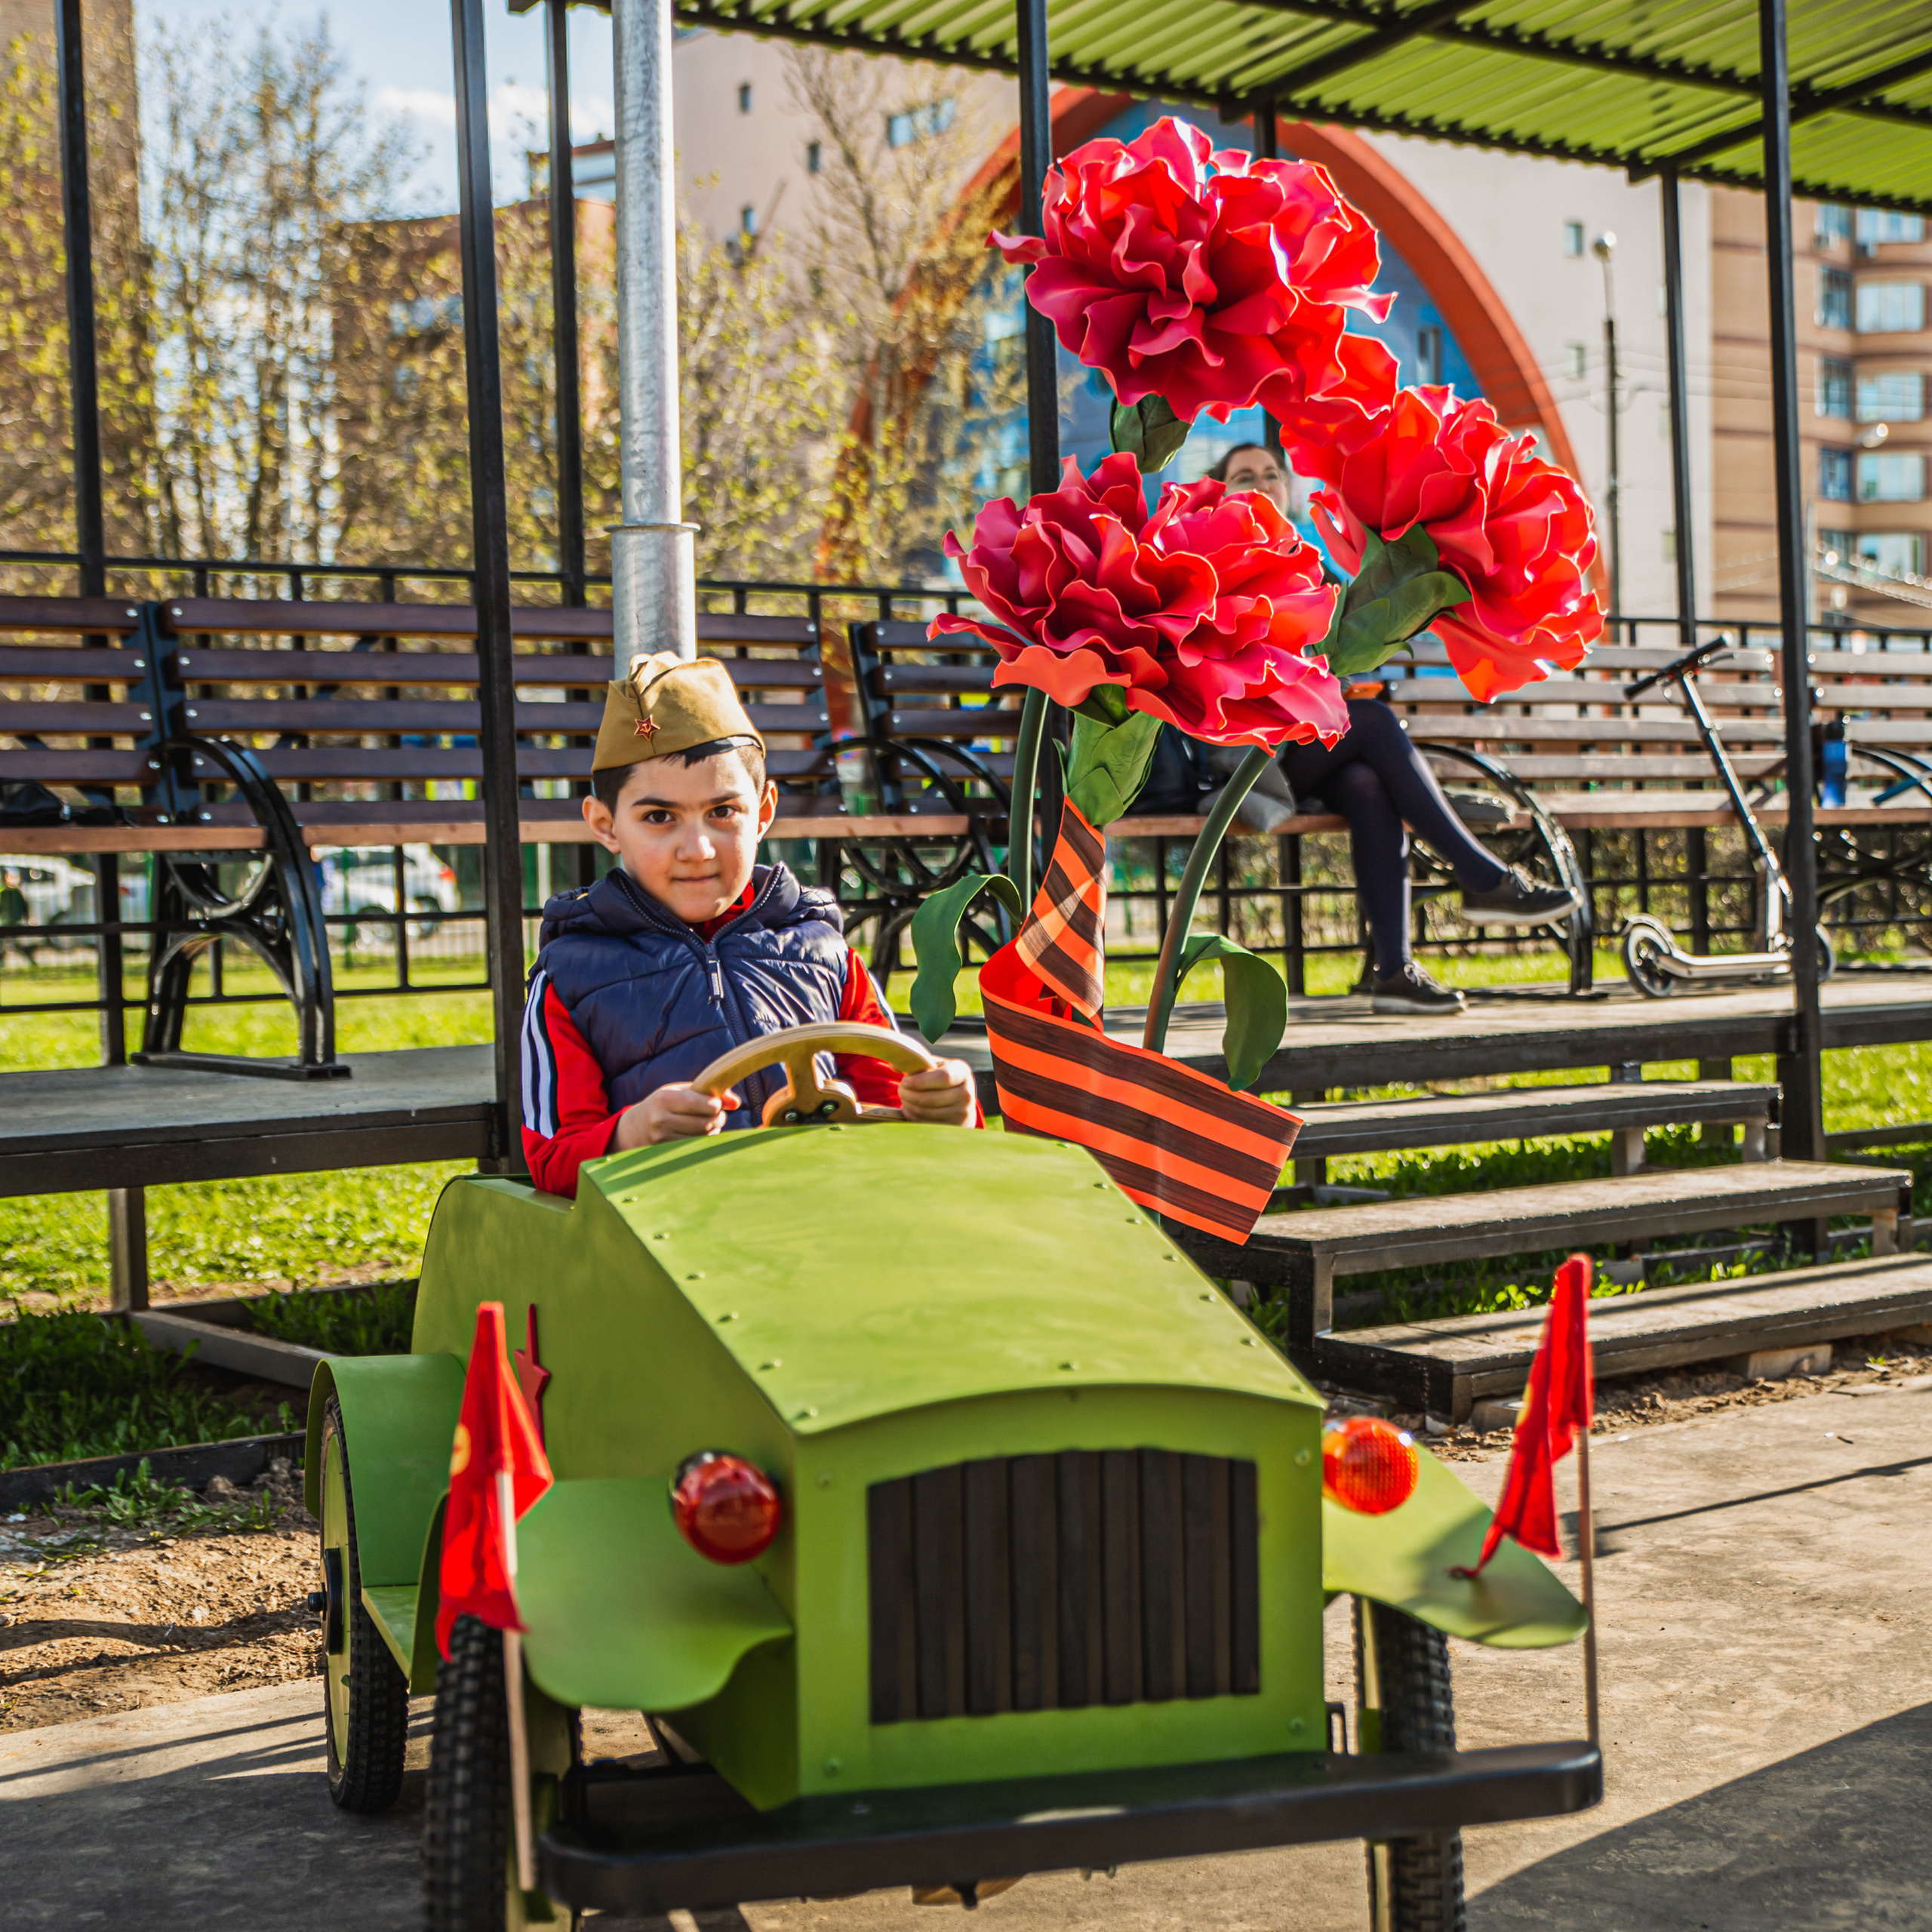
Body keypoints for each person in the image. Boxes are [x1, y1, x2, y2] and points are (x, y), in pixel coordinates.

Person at [519, 651, 977, 1195]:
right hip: (679, 1222)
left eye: (723, 812)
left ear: (763, 812)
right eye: (659, 817)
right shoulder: (570, 977)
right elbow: (552, 1159)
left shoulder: (827, 954)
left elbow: (892, 1107)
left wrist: (944, 1108)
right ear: (605, 824)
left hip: (836, 1207)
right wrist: (633, 1132)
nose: (697, 849)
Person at [1183, 442, 1580, 1016]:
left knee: (1368, 783)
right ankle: (1482, 877)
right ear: (1222, 492)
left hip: (1302, 745)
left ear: (1286, 490)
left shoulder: (1311, 565)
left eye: (1272, 474)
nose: (1262, 483)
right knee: (1370, 723)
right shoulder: (1212, 559)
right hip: (1241, 755)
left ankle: (1393, 972)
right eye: (1245, 476)